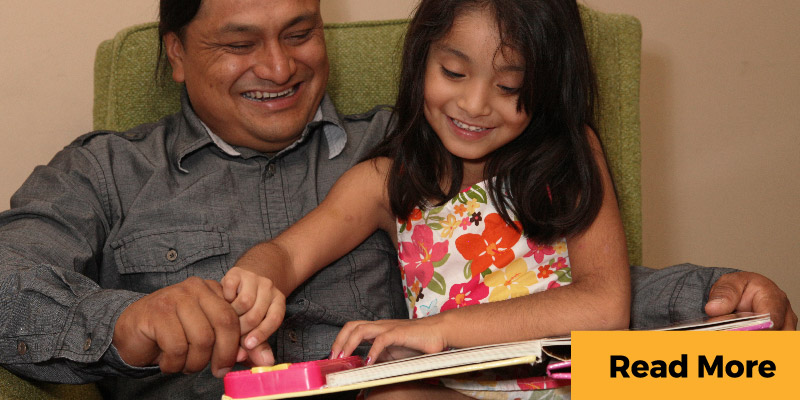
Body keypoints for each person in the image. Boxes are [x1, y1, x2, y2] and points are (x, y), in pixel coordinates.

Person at [0, 0, 793, 399]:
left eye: (300, 30)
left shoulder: (422, 145)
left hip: (473, 382)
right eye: (239, 42)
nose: (276, 65)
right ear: (174, 55)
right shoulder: (107, 172)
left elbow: (543, 279)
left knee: (762, 369)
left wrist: (703, 295)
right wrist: (128, 324)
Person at [227, 0, 628, 397]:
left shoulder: (569, 154)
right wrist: (253, 285)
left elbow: (605, 307)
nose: (474, 104)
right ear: (422, 59)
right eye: (453, 72)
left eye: (510, 87)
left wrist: (440, 329)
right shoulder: (387, 181)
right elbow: (288, 254)